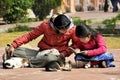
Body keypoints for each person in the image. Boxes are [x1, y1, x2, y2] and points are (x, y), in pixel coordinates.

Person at [3, 14, 78, 69]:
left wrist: (64, 53)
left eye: (67, 28)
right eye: (63, 30)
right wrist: (14, 45)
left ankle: (25, 62)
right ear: (56, 27)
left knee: (49, 58)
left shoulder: (72, 29)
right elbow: (30, 36)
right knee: (14, 50)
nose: (66, 31)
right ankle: (39, 62)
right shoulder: (45, 26)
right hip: (41, 53)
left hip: (57, 55)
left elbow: (75, 45)